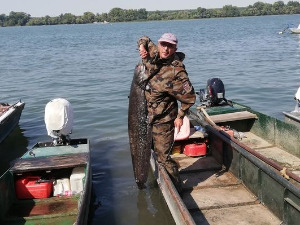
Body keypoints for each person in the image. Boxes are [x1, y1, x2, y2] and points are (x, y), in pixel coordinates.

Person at [137, 33, 196, 192]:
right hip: (145, 115)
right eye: (163, 44)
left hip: (163, 119)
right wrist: (142, 47)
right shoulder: (154, 53)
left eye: (170, 46)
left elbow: (190, 97)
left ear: (175, 48)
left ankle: (177, 189)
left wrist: (180, 116)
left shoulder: (177, 72)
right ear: (159, 44)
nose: (166, 49)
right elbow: (143, 38)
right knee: (144, 148)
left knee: (163, 158)